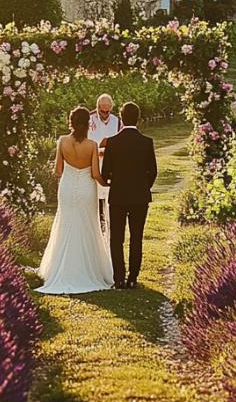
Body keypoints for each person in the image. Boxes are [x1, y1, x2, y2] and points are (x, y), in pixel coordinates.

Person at [35, 106, 115, 295]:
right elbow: (95, 173)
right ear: (88, 124)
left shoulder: (62, 141)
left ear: (70, 122)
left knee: (66, 224)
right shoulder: (92, 145)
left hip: (67, 188)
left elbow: (58, 171)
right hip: (87, 189)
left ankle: (61, 268)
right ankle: (87, 269)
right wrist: (107, 183)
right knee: (88, 225)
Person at [99, 102, 158, 290]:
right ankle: (133, 278)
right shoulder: (146, 142)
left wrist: (113, 182)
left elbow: (105, 172)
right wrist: (144, 186)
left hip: (117, 196)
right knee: (136, 237)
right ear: (138, 119)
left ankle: (119, 279)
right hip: (140, 197)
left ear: (121, 118)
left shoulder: (112, 142)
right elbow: (153, 171)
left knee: (116, 238)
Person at [86, 93, 120, 231]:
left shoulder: (117, 121)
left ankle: (107, 222)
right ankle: (96, 223)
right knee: (93, 192)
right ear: (97, 107)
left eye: (107, 111)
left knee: (107, 192)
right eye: (102, 111)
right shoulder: (89, 119)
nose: (105, 114)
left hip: (109, 162)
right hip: (91, 161)